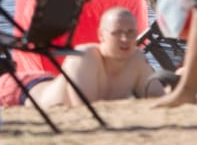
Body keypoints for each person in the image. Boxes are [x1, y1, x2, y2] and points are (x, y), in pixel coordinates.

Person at [28, 8, 163, 110]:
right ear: (100, 35)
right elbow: (84, 110)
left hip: (50, 81)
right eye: (116, 33)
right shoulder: (85, 56)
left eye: (131, 33)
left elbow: (158, 98)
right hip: (25, 89)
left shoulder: (136, 58)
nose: (125, 39)